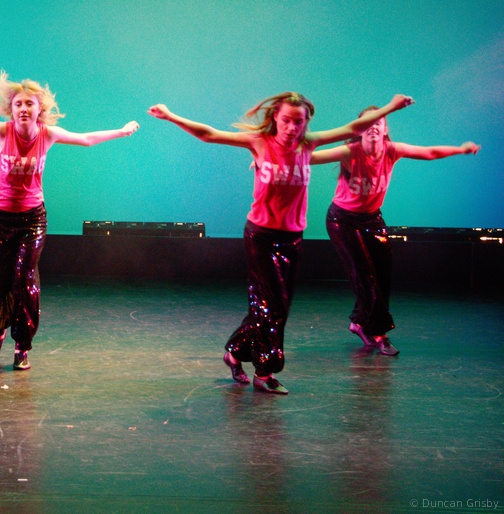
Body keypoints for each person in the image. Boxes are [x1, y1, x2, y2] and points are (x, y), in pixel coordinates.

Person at [149, 92, 413, 394]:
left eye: (298, 122)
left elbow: (354, 128)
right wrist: (170, 115)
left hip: (292, 240)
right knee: (272, 308)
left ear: (306, 123)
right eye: (286, 120)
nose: (291, 127)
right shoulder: (260, 143)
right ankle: (264, 372)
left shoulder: (308, 144)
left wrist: (391, 107)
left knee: (273, 307)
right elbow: (208, 134)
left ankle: (235, 351)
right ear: (276, 117)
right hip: (261, 237)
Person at [0, 71, 139, 371]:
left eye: (30, 103)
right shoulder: (2, 131)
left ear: (40, 109)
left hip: (32, 219)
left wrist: (122, 131)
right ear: (11, 109)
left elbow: (87, 139)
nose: (24, 108)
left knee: (25, 281)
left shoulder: (47, 134)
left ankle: (22, 345)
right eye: (18, 104)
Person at [311, 108, 479, 356]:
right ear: (359, 129)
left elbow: (429, 152)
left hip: (372, 219)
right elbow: (311, 157)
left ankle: (359, 322)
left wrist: (461, 149)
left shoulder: (392, 150)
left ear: (385, 129)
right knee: (366, 277)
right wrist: (269, 159)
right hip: (343, 221)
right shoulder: (350, 152)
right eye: (368, 123)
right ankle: (379, 333)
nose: (374, 127)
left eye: (379, 122)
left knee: (382, 276)